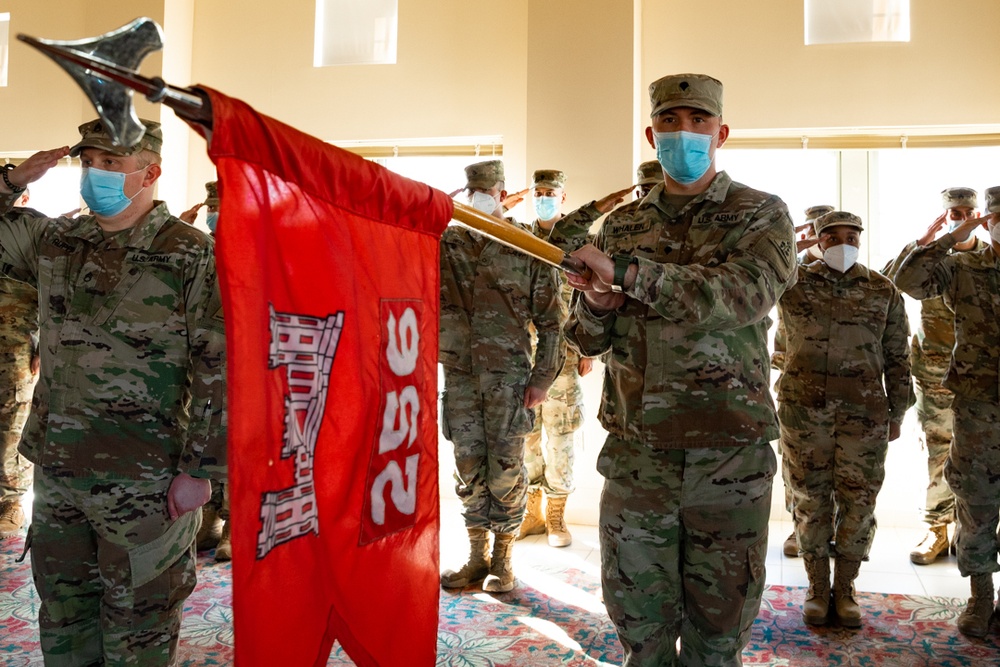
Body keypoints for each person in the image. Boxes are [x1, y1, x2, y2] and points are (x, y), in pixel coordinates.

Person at [562, 73, 797, 665]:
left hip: (728, 455)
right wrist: (596, 303)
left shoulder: (761, 214)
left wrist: (630, 276)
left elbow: (742, 296)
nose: (684, 132)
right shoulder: (621, 227)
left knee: (718, 632)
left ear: (720, 133)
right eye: (670, 121)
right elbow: (589, 339)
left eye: (697, 121)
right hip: (639, 455)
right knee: (639, 625)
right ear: (651, 133)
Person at [0, 119, 226, 665]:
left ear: (150, 172)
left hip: (146, 478)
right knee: (63, 615)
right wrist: (10, 181)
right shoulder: (58, 240)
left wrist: (202, 470)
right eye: (89, 162)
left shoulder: (190, 253)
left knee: (139, 625)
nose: (94, 173)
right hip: (58, 473)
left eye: (110, 163)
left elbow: (221, 365)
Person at [773, 211, 912, 627]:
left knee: (858, 502)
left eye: (852, 236)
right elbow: (753, 275)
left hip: (863, 414)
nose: (843, 243)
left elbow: (898, 356)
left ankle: (846, 586)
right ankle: (817, 587)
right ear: (818, 240)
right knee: (809, 500)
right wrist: (790, 251)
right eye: (832, 237)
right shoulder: (792, 282)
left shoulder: (881, 289)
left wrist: (899, 410)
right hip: (803, 413)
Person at [439, 159, 565, 593]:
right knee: (467, 467)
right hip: (458, 376)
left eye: (487, 190)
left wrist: (543, 378)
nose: (479, 196)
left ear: (501, 193)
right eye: (471, 190)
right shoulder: (445, 243)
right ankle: (475, 557)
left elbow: (552, 322)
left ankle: (503, 560)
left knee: (507, 471)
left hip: (509, 380)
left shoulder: (524, 247)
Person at [892, 186, 1000, 638]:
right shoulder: (966, 268)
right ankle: (980, 598)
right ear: (988, 221)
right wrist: (944, 240)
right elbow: (908, 281)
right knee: (976, 500)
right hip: (979, 405)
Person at [881, 187, 988, 566]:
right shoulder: (934, 259)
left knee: (982, 459)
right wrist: (930, 241)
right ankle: (938, 529)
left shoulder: (987, 261)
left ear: (980, 215)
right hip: (936, 374)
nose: (961, 217)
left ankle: (971, 532)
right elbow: (890, 283)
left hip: (983, 377)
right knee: (940, 454)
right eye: (954, 213)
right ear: (945, 217)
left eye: (967, 211)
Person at [517, 169, 592, 548]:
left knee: (560, 436)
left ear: (563, 197)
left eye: (551, 192)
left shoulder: (579, 240)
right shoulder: (520, 236)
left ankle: (557, 516)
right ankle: (532, 512)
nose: (544, 197)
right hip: (524, 351)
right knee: (527, 435)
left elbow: (591, 296)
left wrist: (586, 348)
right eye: (539, 191)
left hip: (563, 352)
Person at [777, 203, 835, 559]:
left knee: (837, 466)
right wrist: (790, 249)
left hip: (840, 383)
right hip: (796, 381)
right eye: (811, 230)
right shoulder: (793, 273)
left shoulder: (849, 273)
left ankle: (832, 531)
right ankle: (800, 527)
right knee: (796, 465)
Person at [0, 186, 39, 540]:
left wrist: (42, 343)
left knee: (12, 424)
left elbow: (52, 290)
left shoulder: (31, 230)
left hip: (15, 348)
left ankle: (10, 503)